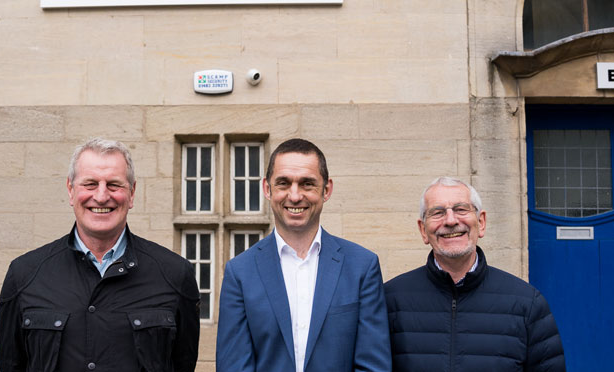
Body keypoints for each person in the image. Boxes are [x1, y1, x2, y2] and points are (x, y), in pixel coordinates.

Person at [0, 138, 200, 372]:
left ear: (132, 193)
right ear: (71, 190)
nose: (102, 196)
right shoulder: (24, 274)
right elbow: (12, 364)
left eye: (114, 185)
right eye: (90, 184)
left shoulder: (175, 275)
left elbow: (183, 363)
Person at [216, 138, 391, 372]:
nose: (295, 195)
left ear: (326, 190)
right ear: (267, 189)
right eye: (283, 183)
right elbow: (234, 367)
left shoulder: (362, 266)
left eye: (307, 184)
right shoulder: (240, 272)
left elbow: (373, 366)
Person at [384, 177, 566, 371]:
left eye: (461, 209)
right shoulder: (389, 301)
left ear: (481, 222)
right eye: (437, 213)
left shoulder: (527, 303)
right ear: (423, 230)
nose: (451, 220)